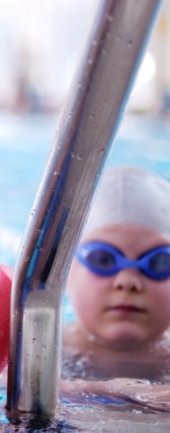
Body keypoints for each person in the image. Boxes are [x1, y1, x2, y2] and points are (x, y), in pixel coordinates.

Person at [62, 165, 170, 410]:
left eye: (159, 262)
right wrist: (117, 391)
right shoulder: (34, 350)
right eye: (103, 259)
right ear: (66, 272)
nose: (128, 281)